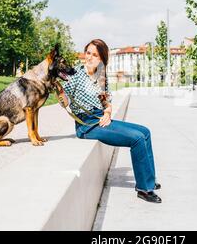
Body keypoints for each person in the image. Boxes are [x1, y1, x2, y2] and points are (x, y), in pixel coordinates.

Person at [57, 39, 161, 203]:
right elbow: (66, 100)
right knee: (137, 139)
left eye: (95, 55)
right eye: (88, 53)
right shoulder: (75, 74)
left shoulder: (101, 75)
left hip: (101, 118)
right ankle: (144, 188)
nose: (89, 57)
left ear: (102, 59)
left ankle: (149, 179)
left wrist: (108, 111)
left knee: (145, 131)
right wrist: (60, 92)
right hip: (87, 125)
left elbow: (106, 99)